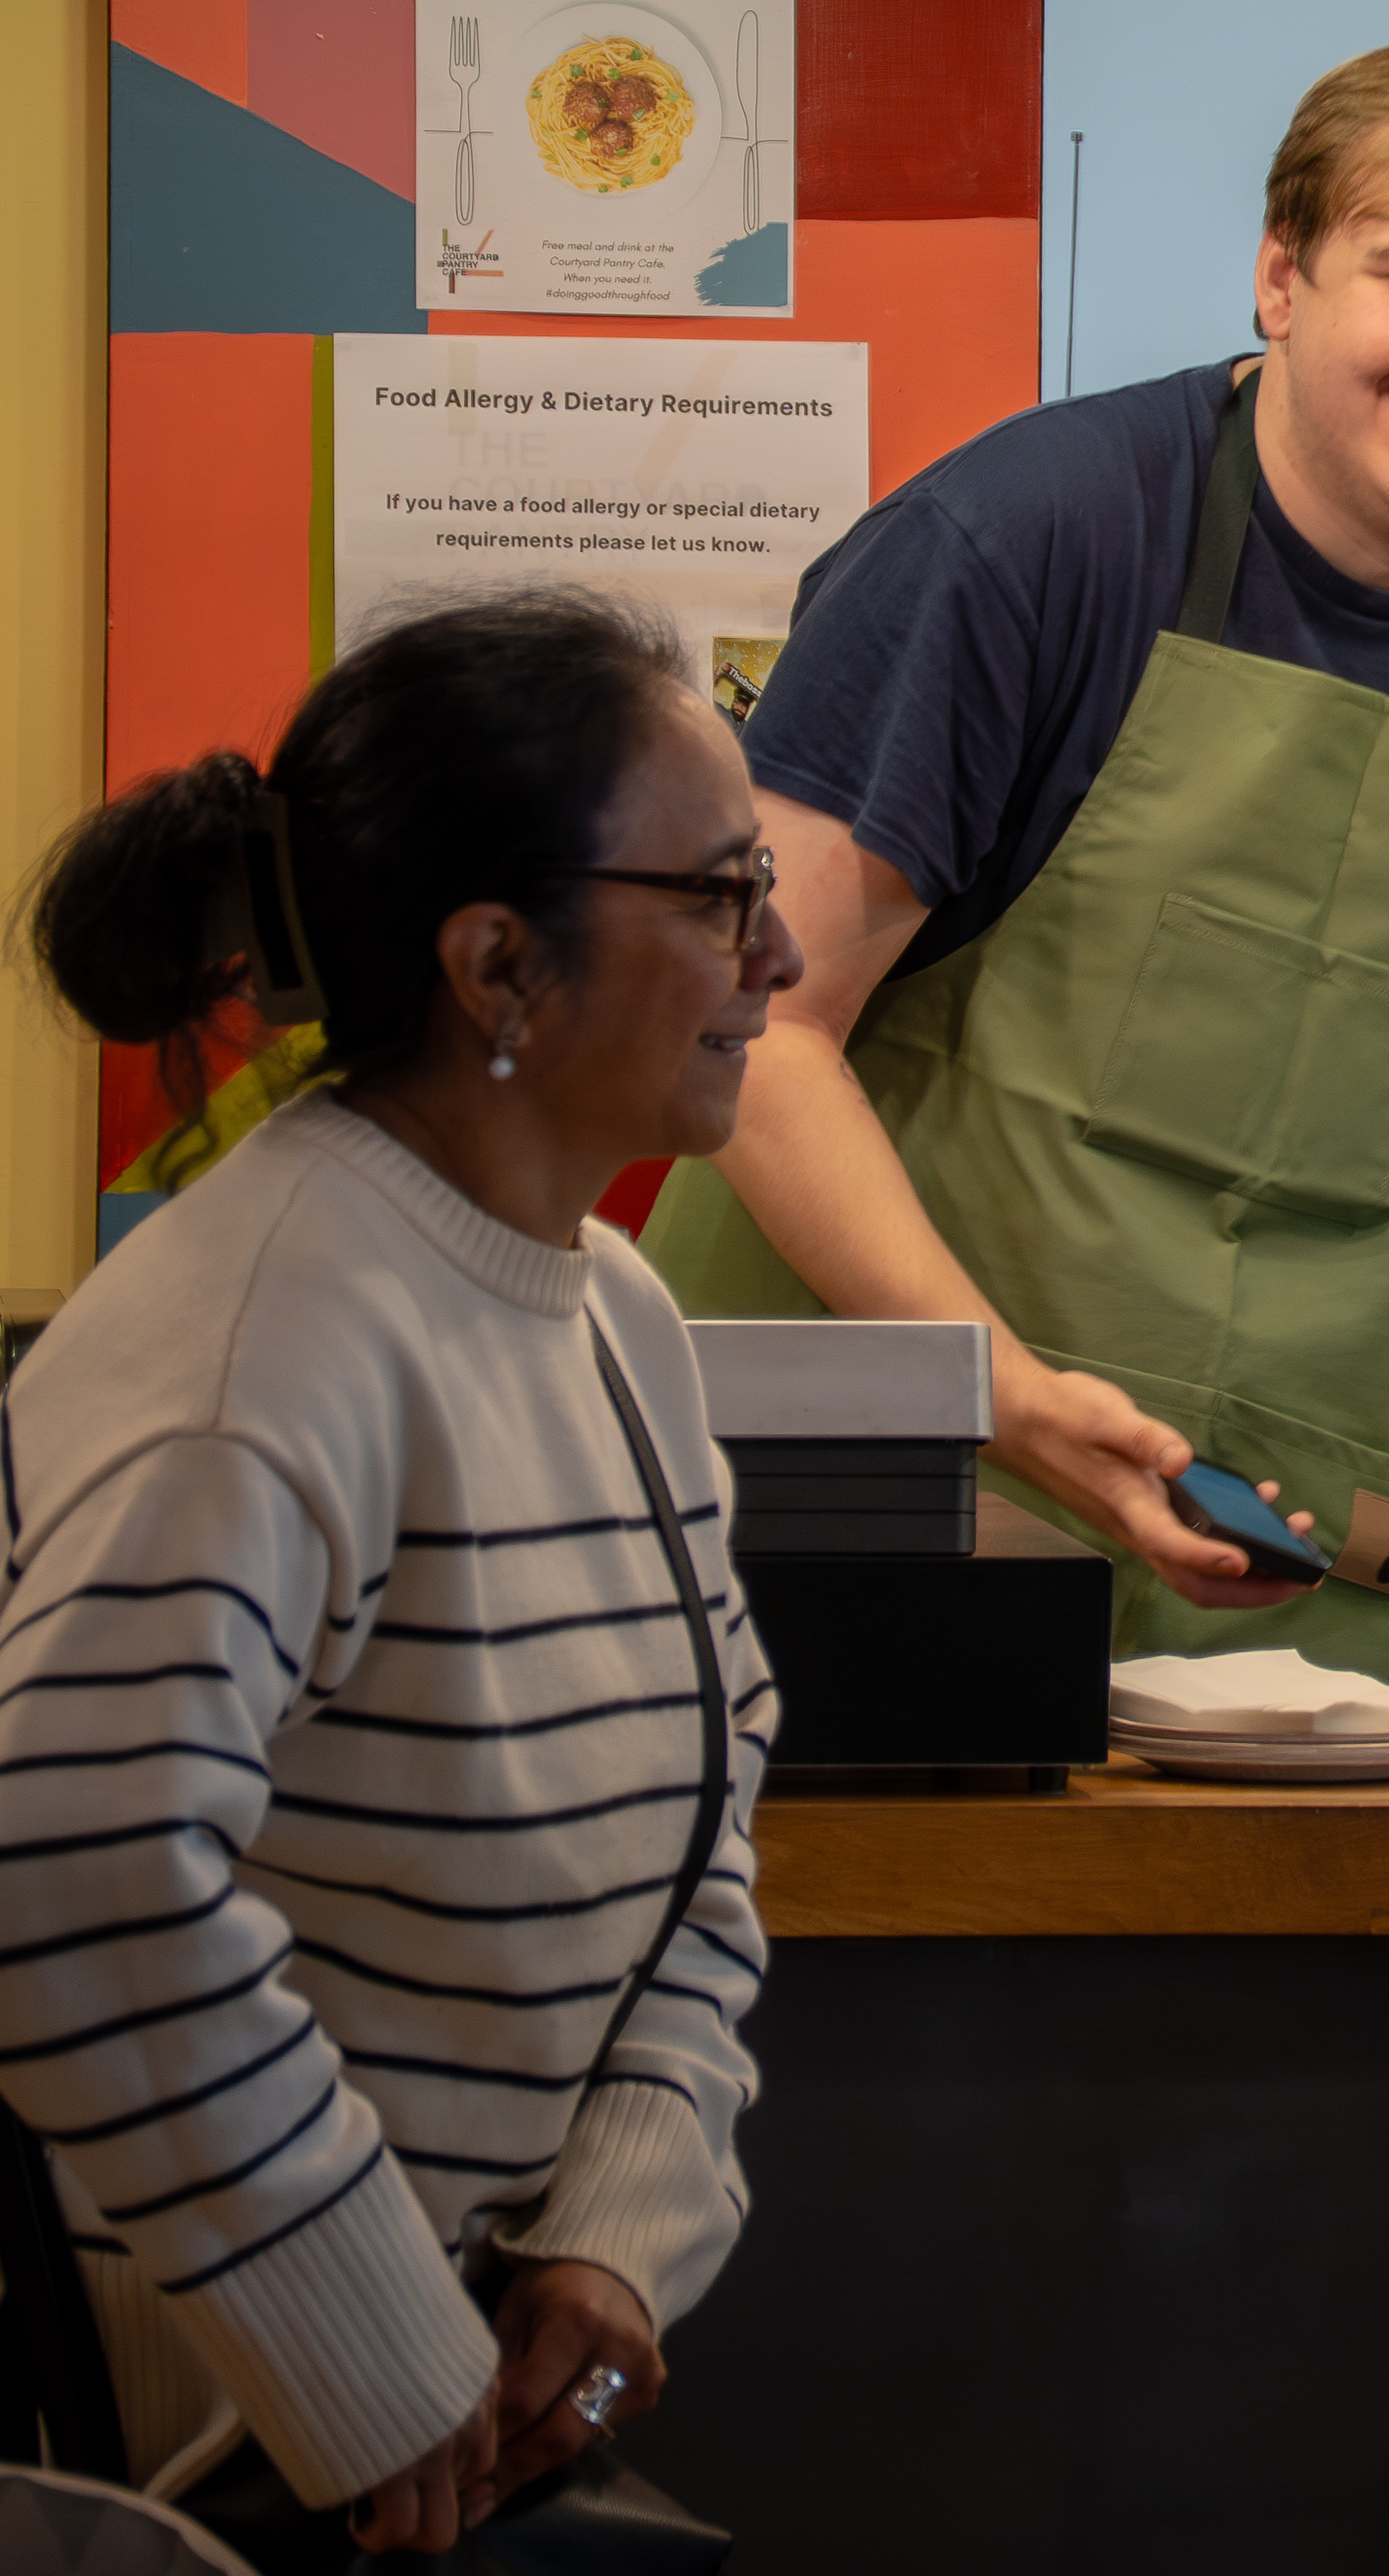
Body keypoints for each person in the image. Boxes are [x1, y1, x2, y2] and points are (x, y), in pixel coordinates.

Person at [640, 41, 1389, 1689]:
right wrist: (1005, 1393)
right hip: (886, 1480)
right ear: (1281, 277)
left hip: (1282, 1532)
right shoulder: (1025, 541)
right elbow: (758, 1034)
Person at [0, 593, 787, 2554]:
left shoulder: (613, 1310)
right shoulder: (264, 1338)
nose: (775, 953)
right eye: (719, 892)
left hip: (463, 2396)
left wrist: (609, 2237)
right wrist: (358, 2342)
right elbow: (70, 1883)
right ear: (497, 962)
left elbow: (708, 1838)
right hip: (225, 2438)